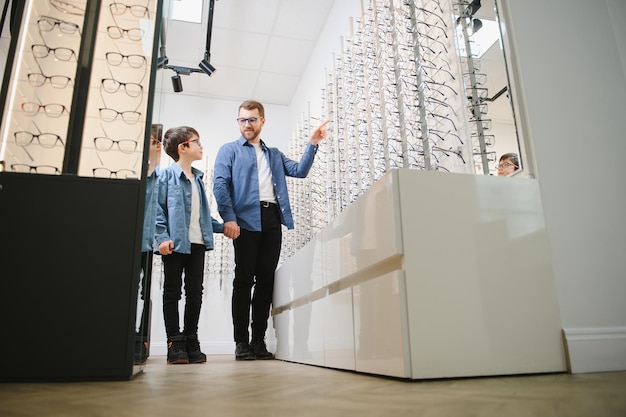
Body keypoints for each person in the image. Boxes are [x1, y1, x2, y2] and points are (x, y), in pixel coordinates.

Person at [213, 99, 330, 361]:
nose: (247, 125)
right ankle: (241, 342)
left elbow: (299, 171)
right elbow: (220, 186)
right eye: (242, 120)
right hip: (243, 220)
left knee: (266, 280)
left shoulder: (273, 154)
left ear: (262, 121)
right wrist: (229, 218)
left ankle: (258, 342)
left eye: (252, 119)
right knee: (244, 280)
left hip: (272, 219)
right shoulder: (229, 151)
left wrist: (312, 143)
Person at [155, 126, 225, 364]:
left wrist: (224, 226)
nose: (201, 146)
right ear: (182, 147)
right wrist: (162, 237)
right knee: (172, 292)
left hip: (197, 244)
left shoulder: (198, 180)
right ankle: (175, 342)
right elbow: (158, 211)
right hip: (175, 244)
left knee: (195, 293)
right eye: (197, 142)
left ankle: (191, 339)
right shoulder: (165, 176)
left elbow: (203, 216)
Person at [134, 123, 163, 365]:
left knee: (145, 295)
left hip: (148, 245)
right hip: (130, 242)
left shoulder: (161, 177)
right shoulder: (135, 177)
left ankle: (140, 341)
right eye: (154, 142)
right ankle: (124, 337)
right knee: (128, 293)